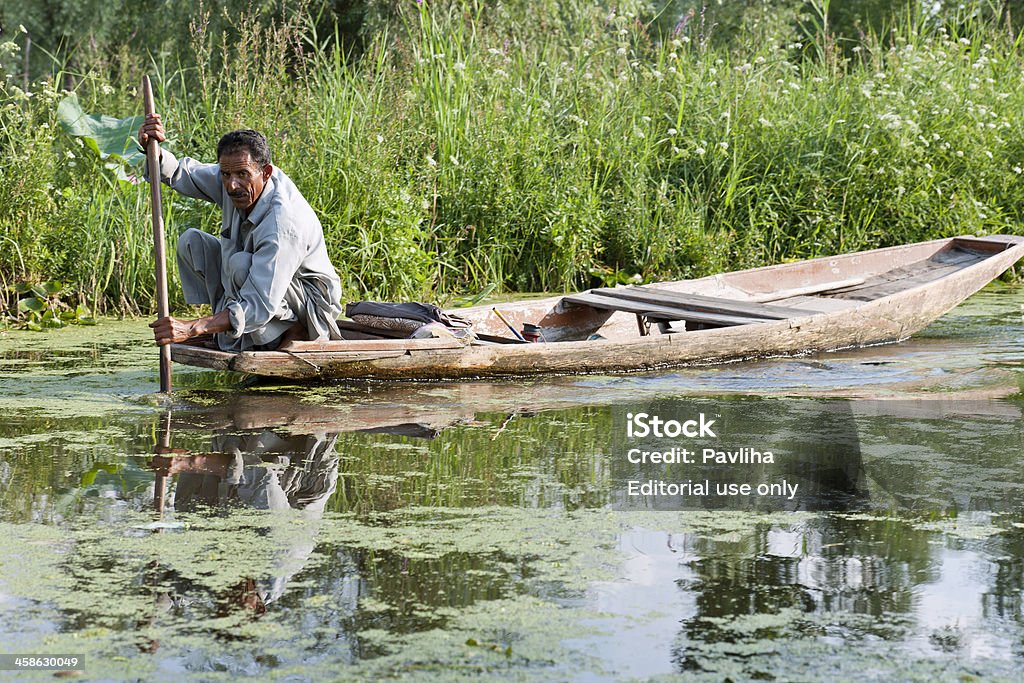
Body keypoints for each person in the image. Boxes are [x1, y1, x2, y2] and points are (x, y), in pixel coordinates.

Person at [138, 115, 343, 351]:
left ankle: (293, 331)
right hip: (260, 288)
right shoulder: (232, 177)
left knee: (240, 263)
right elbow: (181, 174)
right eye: (225, 175)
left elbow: (259, 303)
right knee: (192, 242)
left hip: (309, 305)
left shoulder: (284, 222)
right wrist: (154, 149)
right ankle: (232, 332)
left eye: (242, 175)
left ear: (265, 173)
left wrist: (193, 328)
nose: (232, 186)